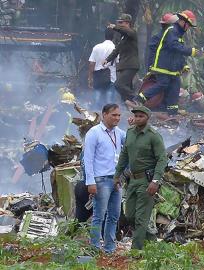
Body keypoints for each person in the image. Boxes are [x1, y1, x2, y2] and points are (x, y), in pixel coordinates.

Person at [114, 105, 167, 250]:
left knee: (141, 217)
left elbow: (162, 159)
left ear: (147, 118)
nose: (137, 119)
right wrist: (117, 175)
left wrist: (155, 181)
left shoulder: (153, 136)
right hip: (132, 179)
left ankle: (136, 252)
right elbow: (124, 155)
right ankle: (152, 241)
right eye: (136, 116)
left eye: (141, 116)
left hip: (147, 181)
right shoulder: (130, 132)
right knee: (130, 215)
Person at [134, 10, 201, 115]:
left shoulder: (178, 34)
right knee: (163, 84)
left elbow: (177, 53)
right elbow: (174, 46)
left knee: (175, 87)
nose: (188, 28)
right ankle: (139, 98)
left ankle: (172, 112)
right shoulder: (171, 30)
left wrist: (183, 65)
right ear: (183, 22)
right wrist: (190, 51)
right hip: (163, 67)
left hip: (172, 70)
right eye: (188, 25)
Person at [84, 104, 126, 253]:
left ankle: (109, 248)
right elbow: (87, 159)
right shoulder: (94, 133)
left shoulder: (119, 133)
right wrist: (90, 182)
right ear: (104, 115)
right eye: (114, 115)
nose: (117, 118)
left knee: (114, 216)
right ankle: (95, 248)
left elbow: (131, 143)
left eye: (119, 115)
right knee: (99, 216)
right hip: (101, 180)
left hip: (116, 180)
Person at [104, 14, 139, 102]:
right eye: (118, 22)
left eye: (121, 22)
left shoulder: (132, 33)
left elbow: (127, 31)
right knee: (125, 88)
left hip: (130, 65)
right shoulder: (123, 37)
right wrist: (107, 59)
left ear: (127, 23)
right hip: (124, 66)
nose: (119, 24)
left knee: (119, 84)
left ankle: (136, 99)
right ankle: (131, 107)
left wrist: (115, 27)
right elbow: (116, 51)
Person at [88, 28, 117, 107]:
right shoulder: (115, 48)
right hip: (111, 78)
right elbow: (118, 63)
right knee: (110, 104)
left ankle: (97, 117)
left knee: (97, 102)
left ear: (104, 36)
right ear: (113, 37)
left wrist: (90, 78)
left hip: (98, 78)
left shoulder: (96, 47)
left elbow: (91, 64)